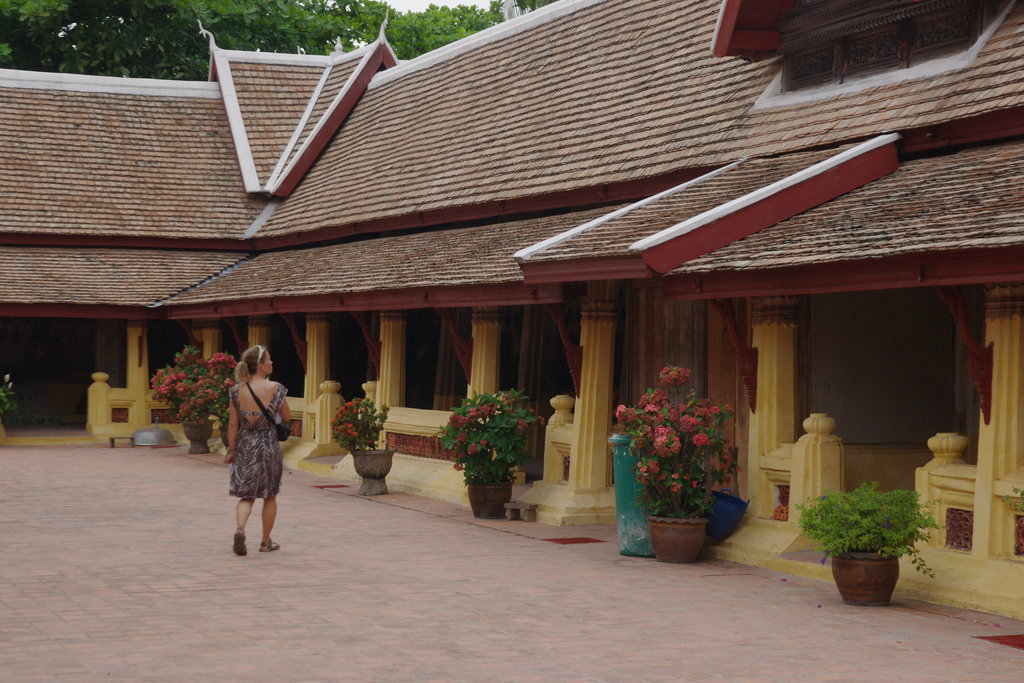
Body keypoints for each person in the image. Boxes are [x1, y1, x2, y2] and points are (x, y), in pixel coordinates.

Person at [225, 344, 291, 555]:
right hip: (268, 445)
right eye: (269, 359)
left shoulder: (236, 391)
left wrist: (231, 450)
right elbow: (287, 417)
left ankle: (240, 529)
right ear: (261, 365)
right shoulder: (276, 388)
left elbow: (233, 425)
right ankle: (265, 542)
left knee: (247, 495)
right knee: (269, 495)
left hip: (245, 445)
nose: (272, 362)